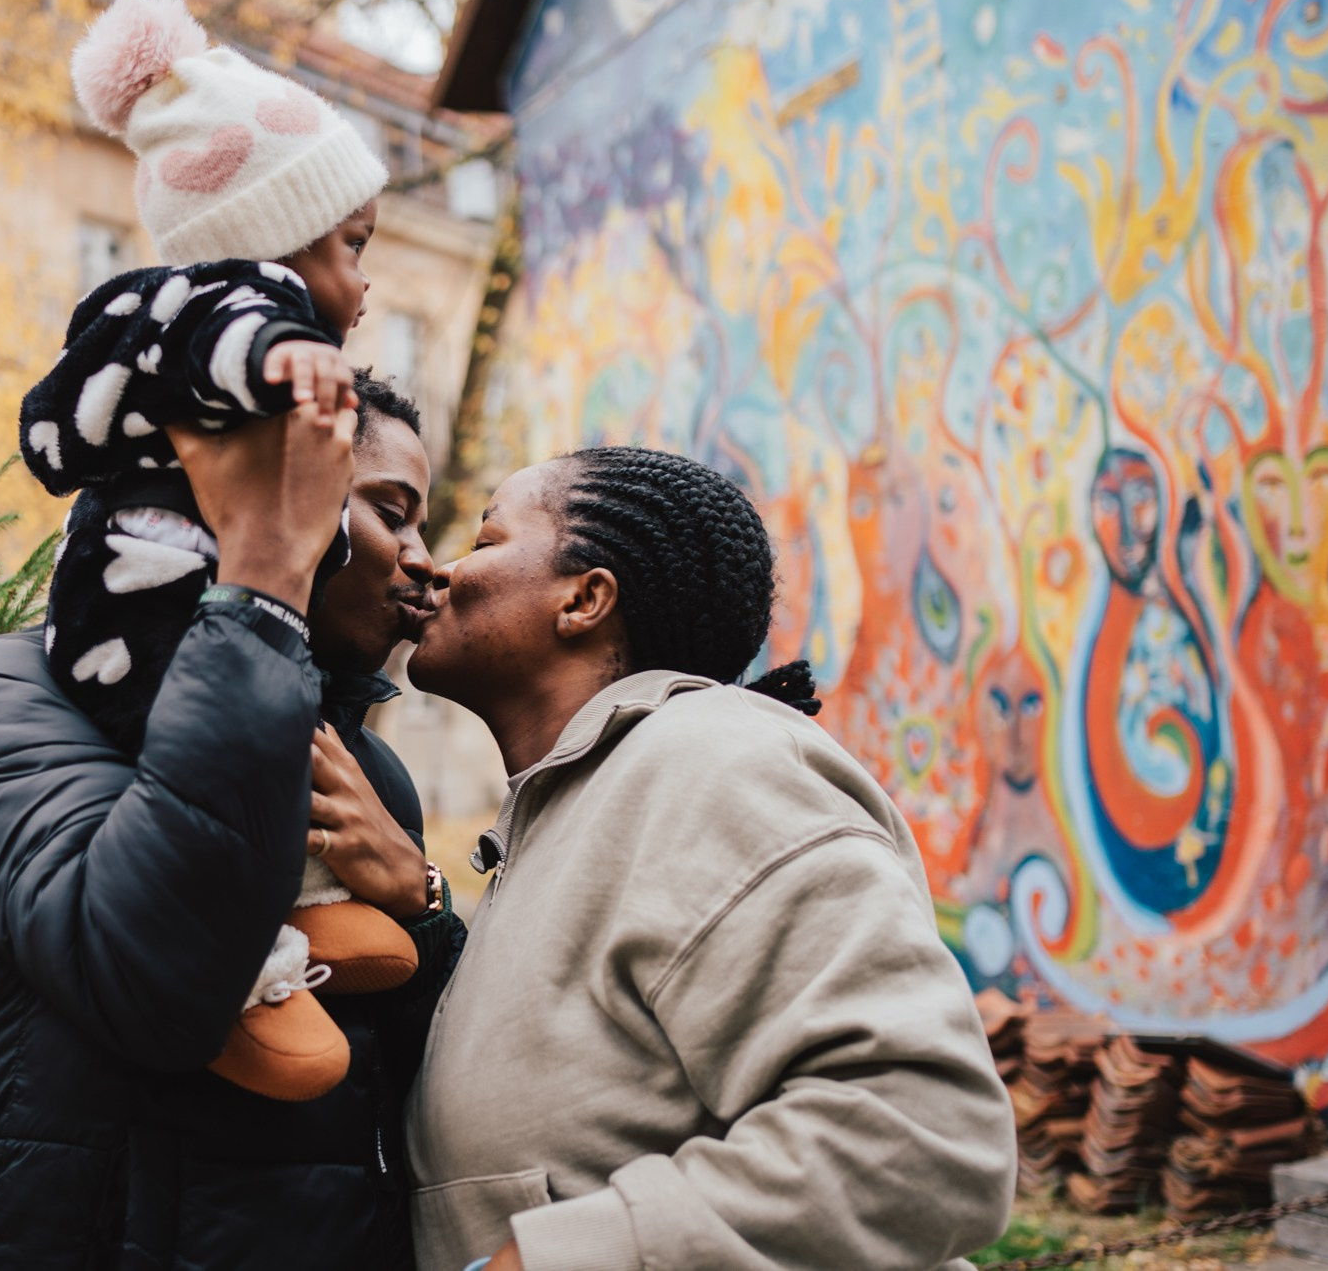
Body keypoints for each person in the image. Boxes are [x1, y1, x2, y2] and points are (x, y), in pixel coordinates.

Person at [403, 446, 1017, 1271]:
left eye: (484, 541)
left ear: (585, 599)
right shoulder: (583, 804)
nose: (439, 569)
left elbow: (923, 1134)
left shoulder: (710, 760)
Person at [0, 373, 461, 1268]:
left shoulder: (372, 775)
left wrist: (422, 902)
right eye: (392, 511)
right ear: (274, 489)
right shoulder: (5, 700)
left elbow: (420, 1074)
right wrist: (264, 584)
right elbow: (150, 976)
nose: (426, 557)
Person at [19, 0, 410, 1100]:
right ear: (268, 248)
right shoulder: (194, 313)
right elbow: (212, 343)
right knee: (205, 755)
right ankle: (251, 974)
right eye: (351, 245)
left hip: (209, 624)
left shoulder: (268, 356)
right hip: (134, 623)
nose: (366, 281)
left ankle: (302, 898)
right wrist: (280, 357)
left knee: (279, 746)